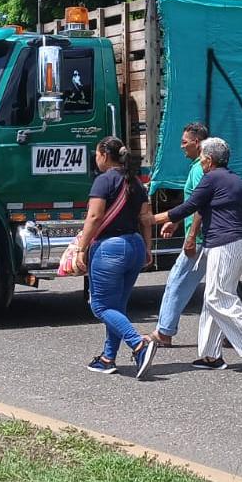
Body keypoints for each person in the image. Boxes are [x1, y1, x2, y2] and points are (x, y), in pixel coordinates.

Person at [154, 137, 242, 374]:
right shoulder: (234, 179)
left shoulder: (211, 178)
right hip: (239, 242)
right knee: (216, 296)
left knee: (216, 297)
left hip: (226, 245)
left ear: (209, 160)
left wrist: (151, 219)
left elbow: (188, 207)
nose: (200, 162)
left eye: (202, 158)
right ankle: (211, 355)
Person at [73, 136, 157, 379]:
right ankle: (108, 357)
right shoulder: (136, 182)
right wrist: (148, 249)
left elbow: (94, 217)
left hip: (110, 249)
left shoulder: (103, 181)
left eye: (97, 154)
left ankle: (139, 344)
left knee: (100, 306)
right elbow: (145, 218)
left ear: (104, 155)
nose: (95, 158)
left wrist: (81, 248)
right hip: (135, 245)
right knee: (117, 306)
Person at [152, 122, 210, 346]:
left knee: (177, 281)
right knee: (223, 289)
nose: (181, 147)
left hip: (200, 240)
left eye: (184, 142)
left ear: (197, 143)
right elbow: (193, 203)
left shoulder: (198, 169)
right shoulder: (200, 167)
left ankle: (164, 332)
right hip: (207, 239)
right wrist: (176, 221)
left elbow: (202, 204)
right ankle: (231, 333)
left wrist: (191, 236)